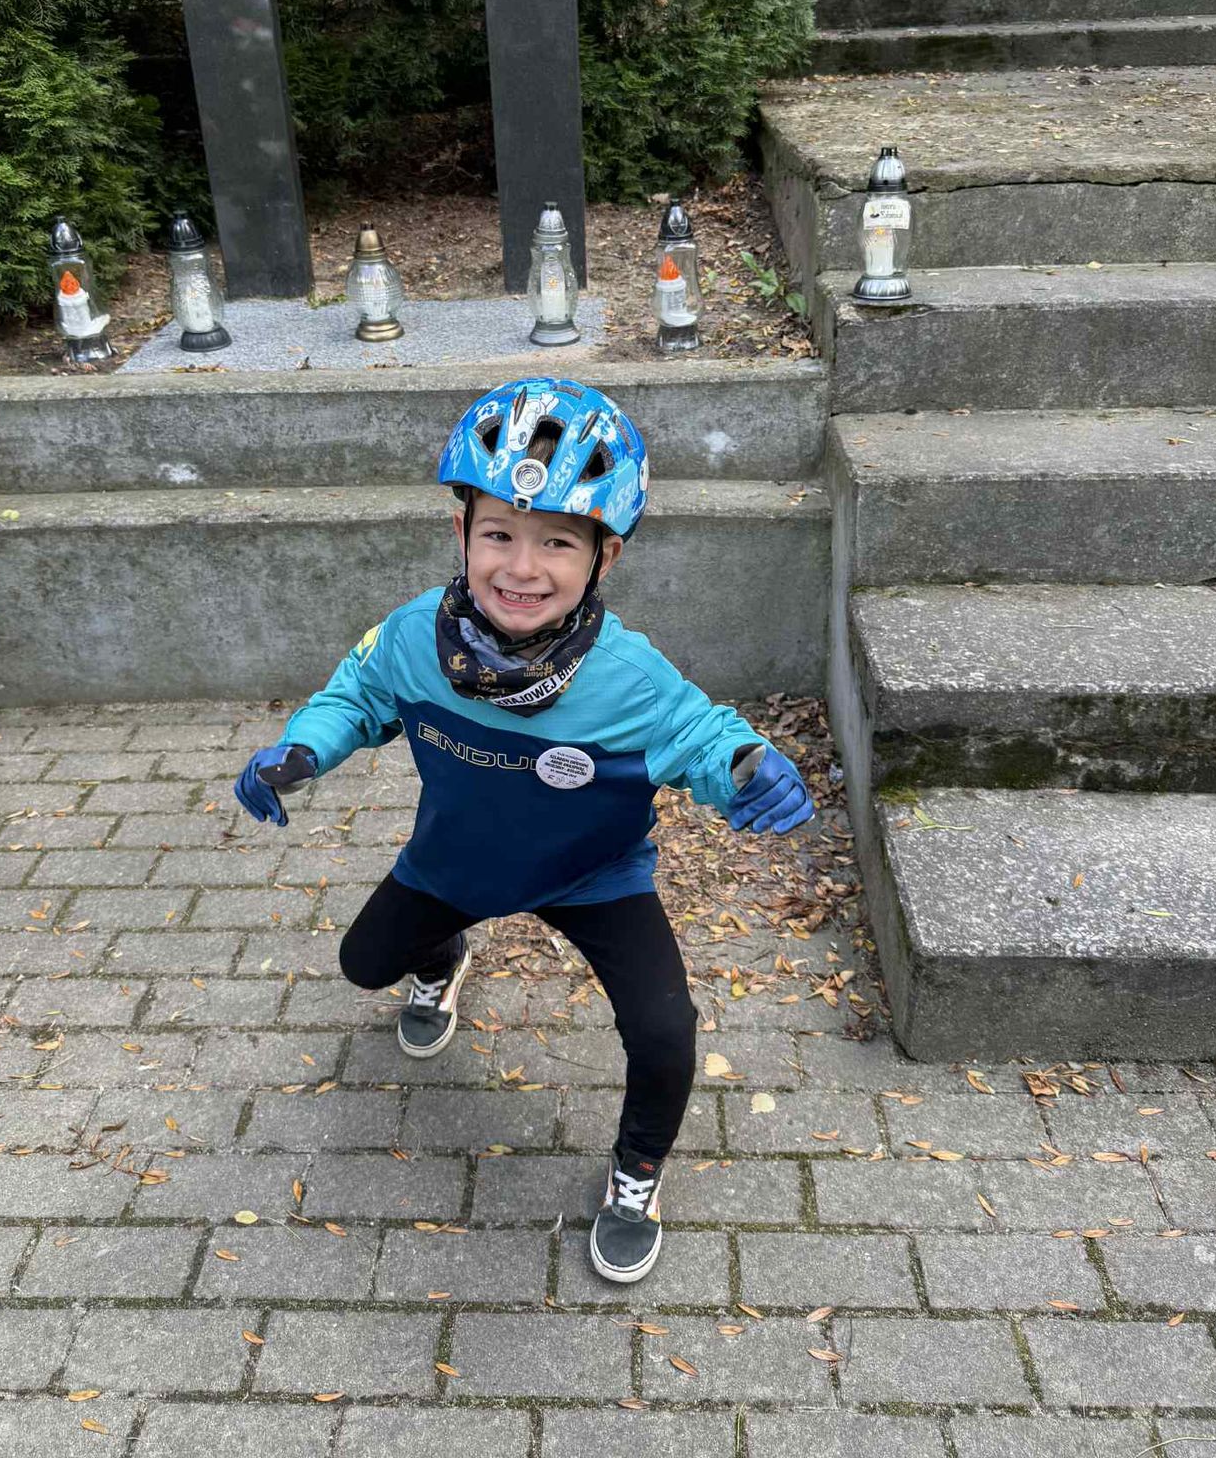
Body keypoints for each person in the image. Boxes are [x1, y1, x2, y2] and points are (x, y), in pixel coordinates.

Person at [234, 376, 815, 1285]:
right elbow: (356, 696)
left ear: (604, 557)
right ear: (460, 532)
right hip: (459, 859)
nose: (522, 568)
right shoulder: (412, 638)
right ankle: (443, 959)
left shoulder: (629, 677)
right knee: (363, 964)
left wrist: (748, 765)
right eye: (499, 533)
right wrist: (301, 750)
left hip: (593, 874)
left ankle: (637, 1173)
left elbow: (702, 732)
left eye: (557, 542)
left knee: (664, 1030)